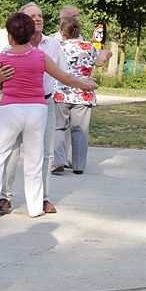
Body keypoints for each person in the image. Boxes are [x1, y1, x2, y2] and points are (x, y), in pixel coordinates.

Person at [0, 13, 97, 217]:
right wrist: (85, 83)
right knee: (35, 158)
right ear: (31, 34)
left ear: (9, 36)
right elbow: (66, 77)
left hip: (10, 109)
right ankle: (34, 207)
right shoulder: (40, 56)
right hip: (37, 109)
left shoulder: (2, 57)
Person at [0, 2, 67, 215]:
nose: (38, 19)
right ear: (22, 22)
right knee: (11, 151)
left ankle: (43, 198)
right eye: (32, 16)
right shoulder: (8, 49)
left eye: (40, 15)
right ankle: (4, 197)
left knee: (45, 153)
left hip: (45, 104)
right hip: (15, 105)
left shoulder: (53, 45)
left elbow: (62, 74)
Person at [53, 17, 99, 175]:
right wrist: (106, 54)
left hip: (61, 93)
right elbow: (99, 62)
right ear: (78, 31)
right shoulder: (89, 46)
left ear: (62, 32)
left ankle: (59, 161)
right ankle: (79, 166)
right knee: (80, 130)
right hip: (83, 94)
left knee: (59, 127)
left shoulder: (57, 46)